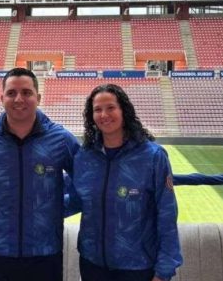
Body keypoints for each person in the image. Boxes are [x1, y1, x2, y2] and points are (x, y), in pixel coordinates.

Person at [0, 67, 80, 281]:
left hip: (44, 255)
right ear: (1, 98)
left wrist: (56, 210)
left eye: (26, 92)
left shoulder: (61, 140)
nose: (19, 99)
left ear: (38, 97)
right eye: (11, 93)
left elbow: (86, 183)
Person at [69, 83, 182, 281]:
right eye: (97, 109)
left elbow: (167, 214)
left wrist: (164, 270)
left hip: (137, 266)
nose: (104, 114)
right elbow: (78, 200)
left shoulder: (153, 157)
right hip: (92, 264)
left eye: (111, 107)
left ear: (124, 110)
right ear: (91, 116)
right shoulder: (85, 157)